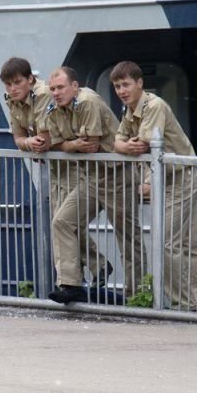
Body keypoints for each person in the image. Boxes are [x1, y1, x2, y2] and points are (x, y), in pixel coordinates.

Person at [1, 57, 107, 292]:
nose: (12, 89)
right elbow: (20, 138)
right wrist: (29, 142)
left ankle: (70, 282)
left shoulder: (43, 95)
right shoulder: (13, 101)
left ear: (30, 79)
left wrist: (34, 143)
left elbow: (46, 139)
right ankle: (95, 267)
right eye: (8, 84)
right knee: (62, 223)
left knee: (63, 222)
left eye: (17, 82)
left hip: (73, 167)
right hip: (56, 168)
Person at [110, 61, 197, 311]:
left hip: (179, 179)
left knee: (169, 244)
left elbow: (143, 145)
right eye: (117, 86)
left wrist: (127, 148)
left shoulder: (154, 106)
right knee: (188, 245)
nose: (121, 91)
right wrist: (123, 146)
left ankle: (181, 305)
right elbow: (118, 141)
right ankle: (195, 306)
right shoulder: (130, 109)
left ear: (140, 83)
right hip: (166, 179)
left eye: (126, 84)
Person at [46, 66, 143, 304]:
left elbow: (90, 144)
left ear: (75, 86)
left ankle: (138, 295)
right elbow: (52, 143)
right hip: (90, 177)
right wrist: (71, 145)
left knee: (127, 237)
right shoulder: (54, 109)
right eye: (52, 89)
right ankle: (71, 284)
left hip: (116, 176)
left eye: (60, 88)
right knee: (62, 221)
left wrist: (67, 144)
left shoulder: (87, 101)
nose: (56, 93)